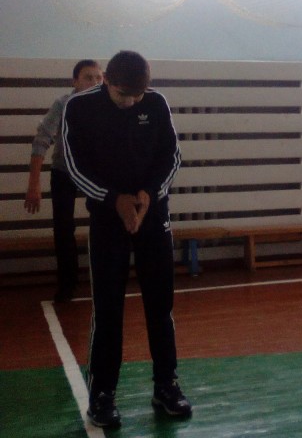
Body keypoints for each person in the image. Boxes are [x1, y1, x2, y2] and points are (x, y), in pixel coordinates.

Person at [63, 51, 191, 427]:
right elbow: (74, 165)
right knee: (108, 310)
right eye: (123, 95)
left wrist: (150, 194)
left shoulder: (156, 103)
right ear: (105, 80)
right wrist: (113, 199)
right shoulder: (79, 107)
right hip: (107, 220)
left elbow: (171, 157)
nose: (132, 102)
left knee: (160, 305)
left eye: (138, 95)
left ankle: (166, 385)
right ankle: (102, 394)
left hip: (152, 215)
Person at [24, 59, 103, 302]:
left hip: (95, 173)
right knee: (63, 228)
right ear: (75, 81)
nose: (94, 82)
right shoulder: (63, 104)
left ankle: (104, 278)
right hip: (64, 171)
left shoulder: (107, 105)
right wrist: (34, 184)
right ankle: (67, 284)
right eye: (88, 77)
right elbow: (42, 140)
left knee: (105, 223)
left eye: (98, 77)